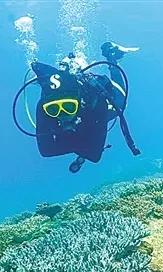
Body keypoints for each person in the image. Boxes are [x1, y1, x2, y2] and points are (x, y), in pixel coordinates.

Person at [29, 41, 141, 173]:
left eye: (69, 106)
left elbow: (94, 155)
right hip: (84, 122)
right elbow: (46, 151)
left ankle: (112, 58)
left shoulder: (95, 103)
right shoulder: (43, 107)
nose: (63, 114)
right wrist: (80, 143)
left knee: (120, 104)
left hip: (91, 113)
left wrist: (72, 142)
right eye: (53, 109)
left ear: (80, 102)